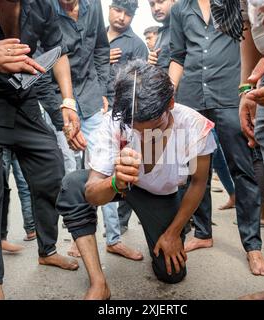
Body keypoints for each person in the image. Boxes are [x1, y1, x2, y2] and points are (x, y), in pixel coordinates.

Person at [0, 0, 81, 300]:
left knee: (52, 170)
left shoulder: (43, 6)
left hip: (25, 102)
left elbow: (57, 51)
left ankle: (47, 249)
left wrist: (68, 100)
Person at [57, 60, 216, 299]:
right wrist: (115, 182)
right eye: (135, 128)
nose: (142, 135)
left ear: (170, 105)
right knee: (72, 186)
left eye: (154, 126)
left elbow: (198, 183)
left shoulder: (194, 126)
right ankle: (98, 283)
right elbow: (91, 193)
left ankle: (161, 238)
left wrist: (173, 232)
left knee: (171, 273)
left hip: (161, 195)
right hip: (120, 184)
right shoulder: (114, 121)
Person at [169, 0, 264, 276]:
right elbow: (178, 56)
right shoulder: (180, 10)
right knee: (193, 170)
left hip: (230, 96)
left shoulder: (236, 5)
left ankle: (253, 246)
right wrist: (169, 91)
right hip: (191, 97)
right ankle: (203, 233)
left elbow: (251, 42)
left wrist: (248, 88)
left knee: (243, 169)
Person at [48, 0, 110, 258]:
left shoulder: (92, 5)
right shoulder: (45, 9)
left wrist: (104, 89)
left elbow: (100, 50)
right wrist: (59, 111)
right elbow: (43, 62)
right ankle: (79, 237)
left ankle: (113, 238)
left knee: (103, 167)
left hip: (93, 99)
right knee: (70, 175)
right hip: (59, 103)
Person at [107, 0, 148, 242]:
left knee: (128, 167)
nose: (122, 17)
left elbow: (139, 85)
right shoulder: (97, 37)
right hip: (94, 110)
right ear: (110, 8)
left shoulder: (137, 45)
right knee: (98, 167)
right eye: (118, 10)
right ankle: (100, 224)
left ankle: (120, 224)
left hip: (124, 116)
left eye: (128, 14)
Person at [147, 0, 175, 71]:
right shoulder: (161, 33)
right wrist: (152, 63)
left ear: (173, 1)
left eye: (160, 1)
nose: (156, 8)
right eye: (152, 4)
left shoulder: (184, 27)